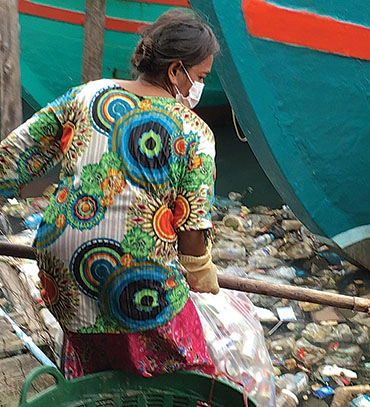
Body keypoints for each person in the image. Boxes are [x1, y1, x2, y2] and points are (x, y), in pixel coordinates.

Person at [0, 9, 221, 379]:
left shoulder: (88, 94)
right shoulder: (194, 131)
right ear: (175, 71)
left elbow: (14, 157)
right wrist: (200, 271)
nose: (197, 87)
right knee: (189, 372)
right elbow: (192, 229)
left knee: (96, 359)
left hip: (59, 268)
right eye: (199, 77)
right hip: (136, 277)